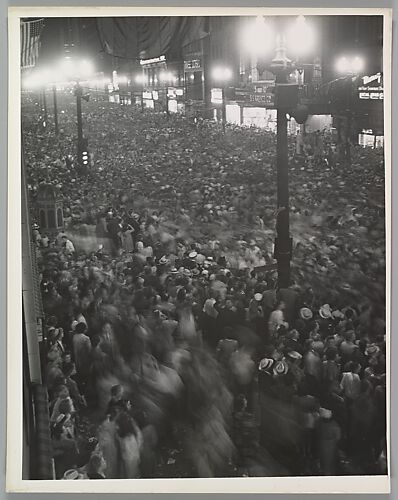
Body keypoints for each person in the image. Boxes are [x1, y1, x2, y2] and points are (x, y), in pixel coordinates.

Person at [115, 411, 143, 479]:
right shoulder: (132, 434)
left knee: (130, 475)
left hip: (129, 458)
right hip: (133, 457)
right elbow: (140, 441)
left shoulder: (123, 436)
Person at [316, 408, 341, 475]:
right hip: (330, 444)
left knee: (326, 461)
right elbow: (338, 437)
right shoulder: (334, 424)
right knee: (329, 462)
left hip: (324, 444)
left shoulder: (320, 423)